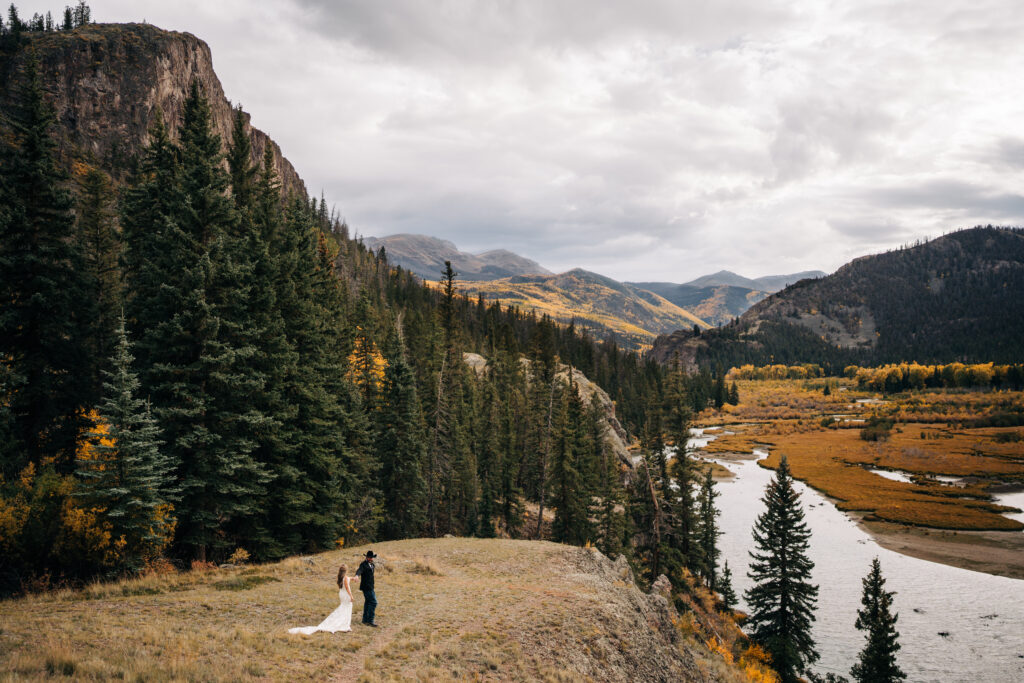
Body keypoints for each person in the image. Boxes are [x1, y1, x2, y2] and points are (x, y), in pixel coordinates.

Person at [288, 565, 353, 635]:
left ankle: (344, 623)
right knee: (347, 607)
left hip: (341, 594)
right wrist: (351, 596)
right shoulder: (345, 578)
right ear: (346, 571)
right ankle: (344, 624)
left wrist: (353, 578)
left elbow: (348, 579)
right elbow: (347, 587)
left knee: (343, 607)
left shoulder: (341, 577)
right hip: (346, 594)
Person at [355, 550, 379, 627]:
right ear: (366, 557)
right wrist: (356, 576)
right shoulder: (363, 564)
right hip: (366, 587)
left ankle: (365, 620)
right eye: (369, 557)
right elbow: (359, 570)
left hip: (371, 586)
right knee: (374, 602)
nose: (371, 559)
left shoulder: (372, 565)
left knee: (368, 602)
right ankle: (370, 620)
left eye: (372, 557)